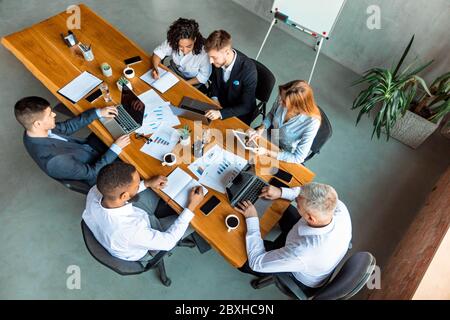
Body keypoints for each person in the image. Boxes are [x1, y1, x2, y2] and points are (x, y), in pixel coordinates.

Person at [235, 182, 352, 294]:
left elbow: (256, 262)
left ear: (310, 218)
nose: (296, 200)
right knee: (282, 205)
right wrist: (280, 192)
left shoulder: (302, 252)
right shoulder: (336, 207)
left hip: (298, 274)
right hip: (312, 254)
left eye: (298, 203)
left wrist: (252, 218)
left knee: (240, 255)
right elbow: (302, 193)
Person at [82, 162, 204, 261]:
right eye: (137, 185)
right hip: (137, 244)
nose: (139, 184)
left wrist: (146, 183)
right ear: (124, 196)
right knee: (198, 218)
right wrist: (191, 207)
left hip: (131, 219)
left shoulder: (97, 190)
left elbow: (124, 191)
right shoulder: (129, 231)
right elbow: (168, 242)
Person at [14, 97, 130, 187]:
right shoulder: (54, 161)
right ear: (38, 124)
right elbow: (91, 174)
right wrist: (115, 149)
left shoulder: (34, 132)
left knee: (120, 128)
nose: (54, 114)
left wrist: (98, 113)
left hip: (86, 150)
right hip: (99, 172)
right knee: (133, 154)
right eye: (50, 115)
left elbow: (67, 127)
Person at [248, 80, 321, 164]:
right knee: (245, 148)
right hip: (271, 135)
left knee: (261, 167)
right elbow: (272, 114)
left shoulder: (312, 123)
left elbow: (298, 158)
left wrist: (267, 152)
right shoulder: (283, 96)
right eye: (281, 97)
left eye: (284, 102)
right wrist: (261, 128)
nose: (279, 102)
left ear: (298, 107)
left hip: (285, 152)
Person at [204, 30, 257, 125]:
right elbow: (215, 82)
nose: (211, 61)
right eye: (210, 57)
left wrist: (221, 113)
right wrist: (215, 97)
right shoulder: (218, 61)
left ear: (227, 52)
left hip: (239, 113)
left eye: (214, 57)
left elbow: (246, 106)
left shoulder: (249, 70)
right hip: (219, 104)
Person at [151, 18, 211, 88]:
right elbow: (158, 53)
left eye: (189, 46)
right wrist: (155, 68)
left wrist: (182, 84)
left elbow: (203, 77)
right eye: (180, 47)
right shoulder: (173, 40)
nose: (185, 51)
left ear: (194, 39)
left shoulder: (204, 54)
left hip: (192, 80)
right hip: (173, 72)